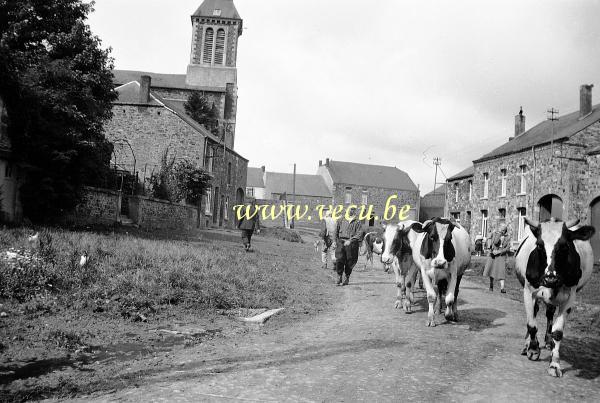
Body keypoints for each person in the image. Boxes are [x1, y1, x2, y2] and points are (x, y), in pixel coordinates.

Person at [334, 206, 364, 286]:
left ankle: (347, 276)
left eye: (352, 210)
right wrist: (334, 241)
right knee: (339, 259)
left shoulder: (357, 222)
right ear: (346, 210)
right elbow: (335, 231)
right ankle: (339, 276)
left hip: (352, 244)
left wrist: (350, 240)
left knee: (350, 261)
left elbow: (359, 233)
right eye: (349, 209)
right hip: (341, 242)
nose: (350, 211)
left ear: (354, 212)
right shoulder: (340, 220)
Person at [483, 223, 511, 293]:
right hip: (493, 254)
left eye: (504, 230)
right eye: (502, 229)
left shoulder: (508, 237)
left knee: (501, 270)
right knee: (492, 270)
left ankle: (502, 288)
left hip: (501, 254)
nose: (503, 231)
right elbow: (495, 242)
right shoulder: (495, 234)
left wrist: (500, 251)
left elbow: (507, 248)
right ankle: (491, 285)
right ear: (499, 229)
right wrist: (499, 234)